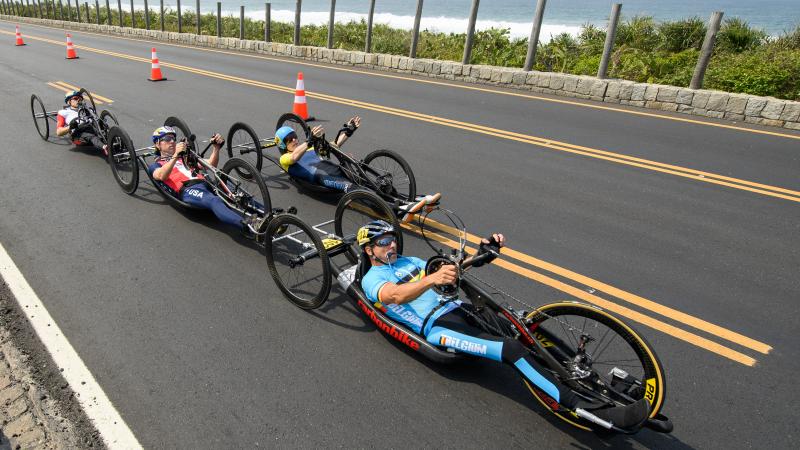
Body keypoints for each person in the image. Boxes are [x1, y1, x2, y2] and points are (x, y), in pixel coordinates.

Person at [357, 220, 643, 424]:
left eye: (392, 238)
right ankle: (584, 409)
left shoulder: (412, 261)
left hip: (462, 308)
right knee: (511, 349)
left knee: (525, 330)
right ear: (369, 250)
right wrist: (431, 279)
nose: (392, 244)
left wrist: (483, 252)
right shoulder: (373, 278)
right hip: (439, 328)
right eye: (383, 241)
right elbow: (394, 296)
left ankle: (600, 384)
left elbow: (450, 271)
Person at [147, 126, 265, 234]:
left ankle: (268, 213)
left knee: (236, 191)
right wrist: (176, 155)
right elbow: (161, 176)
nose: (172, 141)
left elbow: (210, 164)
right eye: (167, 138)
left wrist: (216, 148)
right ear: (158, 144)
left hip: (206, 182)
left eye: (173, 138)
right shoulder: (156, 165)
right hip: (188, 189)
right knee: (214, 201)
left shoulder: (185, 157)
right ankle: (249, 227)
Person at [275, 116, 361, 193]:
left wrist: (348, 132)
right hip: (323, 177)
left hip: (334, 169)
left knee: (360, 178)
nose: (294, 140)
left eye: (294, 136)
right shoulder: (284, 158)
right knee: (354, 189)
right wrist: (309, 141)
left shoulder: (310, 148)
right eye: (289, 139)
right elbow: (294, 157)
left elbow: (334, 145)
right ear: (283, 145)